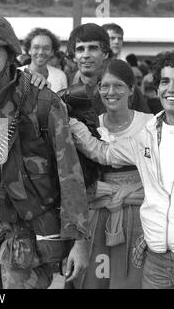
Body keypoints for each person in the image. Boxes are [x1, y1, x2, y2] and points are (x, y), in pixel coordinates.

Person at [0, 15, 89, 289]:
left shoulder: (42, 100)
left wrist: (80, 241)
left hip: (26, 230)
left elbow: (69, 173)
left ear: (10, 53)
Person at [69, 51, 174, 289]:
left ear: (131, 89)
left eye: (118, 85)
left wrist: (125, 191)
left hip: (140, 224)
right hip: (106, 220)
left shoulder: (145, 123)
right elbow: (103, 154)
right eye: (104, 86)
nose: (111, 92)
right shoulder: (146, 132)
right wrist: (71, 124)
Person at [65, 23, 150, 115]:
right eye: (80, 49)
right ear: (74, 56)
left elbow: (146, 124)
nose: (86, 55)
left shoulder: (124, 86)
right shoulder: (67, 86)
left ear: (105, 53)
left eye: (93, 48)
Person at [19, 28, 68, 93]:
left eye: (46, 48)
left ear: (52, 52)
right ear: (29, 50)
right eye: (36, 47)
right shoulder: (17, 74)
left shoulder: (60, 76)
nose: (41, 52)